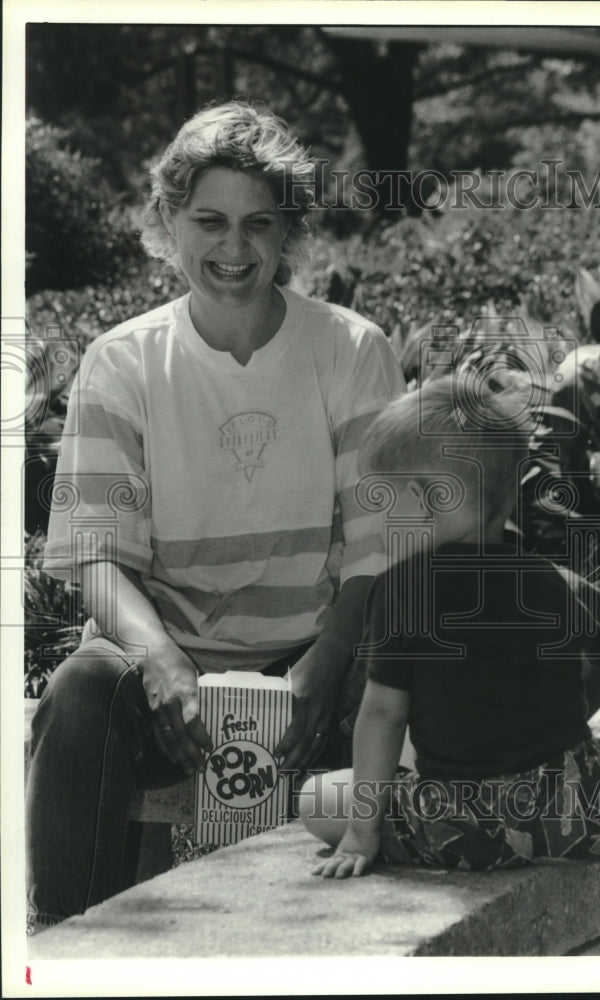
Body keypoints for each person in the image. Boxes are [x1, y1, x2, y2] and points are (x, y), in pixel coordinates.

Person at [26, 101, 405, 930]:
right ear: (167, 221)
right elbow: (97, 554)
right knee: (83, 687)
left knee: (408, 668)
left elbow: (381, 551)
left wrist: (329, 660)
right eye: (209, 220)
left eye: (259, 224)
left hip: (320, 652)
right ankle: (64, 945)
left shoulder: (351, 349)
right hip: (174, 657)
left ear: (288, 231)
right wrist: (162, 665)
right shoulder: (122, 362)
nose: (235, 249)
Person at [299, 372, 600, 877]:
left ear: (425, 498)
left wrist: (362, 832)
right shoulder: (554, 581)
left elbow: (383, 717)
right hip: (571, 820)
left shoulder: (401, 590)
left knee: (316, 797)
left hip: (463, 829)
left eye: (386, 503)